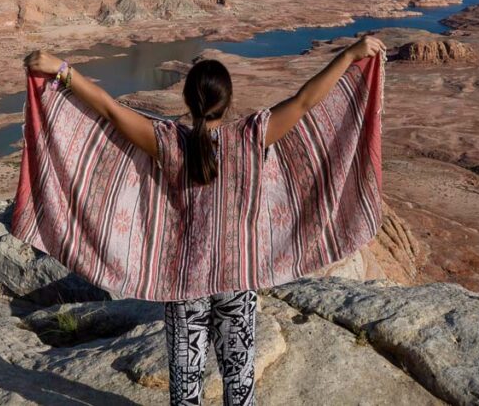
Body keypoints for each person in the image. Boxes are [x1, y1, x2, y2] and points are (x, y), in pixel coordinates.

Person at [23, 34, 386, 406]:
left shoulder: (167, 142)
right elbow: (307, 100)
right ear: (226, 103)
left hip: (185, 287)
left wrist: (62, 71)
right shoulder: (252, 136)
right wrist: (350, 55)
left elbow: (110, 110)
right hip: (237, 279)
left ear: (187, 100)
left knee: (186, 389)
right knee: (240, 383)